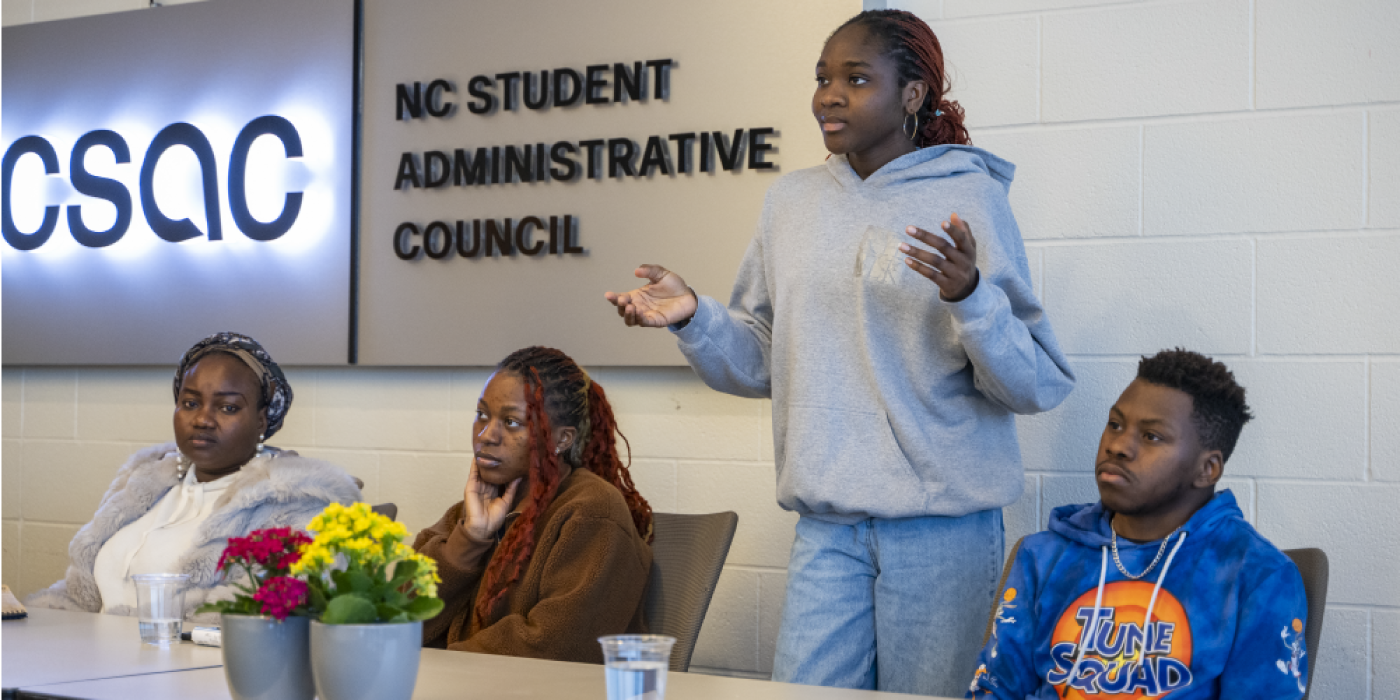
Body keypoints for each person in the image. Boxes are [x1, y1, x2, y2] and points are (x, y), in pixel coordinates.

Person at [604, 9, 1073, 696]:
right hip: (827, 529)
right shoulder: (791, 202)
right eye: (823, 77)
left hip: (940, 535)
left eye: (856, 78)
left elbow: (1035, 384)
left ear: (913, 95)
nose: (830, 94)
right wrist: (695, 316)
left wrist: (971, 295)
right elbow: (765, 356)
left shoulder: (968, 197)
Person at [968, 349, 1309, 699]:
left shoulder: (1256, 575)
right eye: (1115, 424)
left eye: (1151, 437)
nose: (1117, 445)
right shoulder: (1043, 556)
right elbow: (994, 689)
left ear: (1207, 469)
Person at [26, 332, 362, 620]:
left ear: (261, 420)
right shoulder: (144, 482)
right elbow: (78, 595)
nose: (202, 419)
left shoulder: (296, 507)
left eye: (228, 407)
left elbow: (260, 624)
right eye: (189, 403)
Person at [414, 346, 653, 663]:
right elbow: (394, 618)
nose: (486, 435)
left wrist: (438, 666)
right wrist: (469, 540)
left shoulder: (592, 511)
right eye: (482, 415)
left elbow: (553, 646)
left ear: (561, 440)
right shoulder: (472, 510)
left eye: (511, 422)